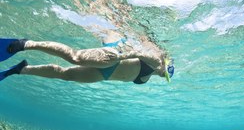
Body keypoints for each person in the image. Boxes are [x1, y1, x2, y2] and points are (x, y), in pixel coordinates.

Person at [0, 37, 174, 84]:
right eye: (167, 71)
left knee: (65, 75)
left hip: (102, 75)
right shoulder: (154, 60)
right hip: (112, 60)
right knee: (74, 57)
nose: (164, 75)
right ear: (165, 63)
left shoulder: (149, 76)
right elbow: (136, 52)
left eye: (167, 76)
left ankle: (22, 69)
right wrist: (116, 56)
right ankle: (25, 44)